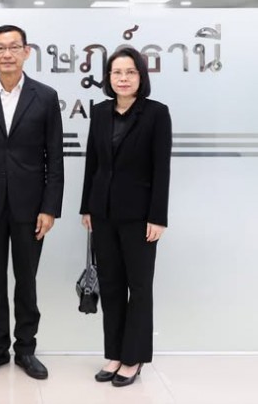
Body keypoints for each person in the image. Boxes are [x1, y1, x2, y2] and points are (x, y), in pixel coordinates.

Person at [0, 24, 64, 380]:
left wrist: (49, 207)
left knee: (26, 280)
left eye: (13, 47)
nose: (7, 54)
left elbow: (54, 157)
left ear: (26, 52)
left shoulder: (45, 96)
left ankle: (26, 349)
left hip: (30, 206)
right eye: (0, 48)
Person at [79, 47, 172, 387]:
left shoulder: (156, 113)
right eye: (117, 72)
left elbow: (161, 168)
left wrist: (158, 217)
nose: (123, 78)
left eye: (130, 72)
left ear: (141, 76)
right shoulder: (100, 112)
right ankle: (115, 354)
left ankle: (133, 358)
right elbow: (93, 162)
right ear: (108, 78)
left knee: (139, 287)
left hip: (140, 217)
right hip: (103, 213)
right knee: (112, 286)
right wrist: (87, 207)